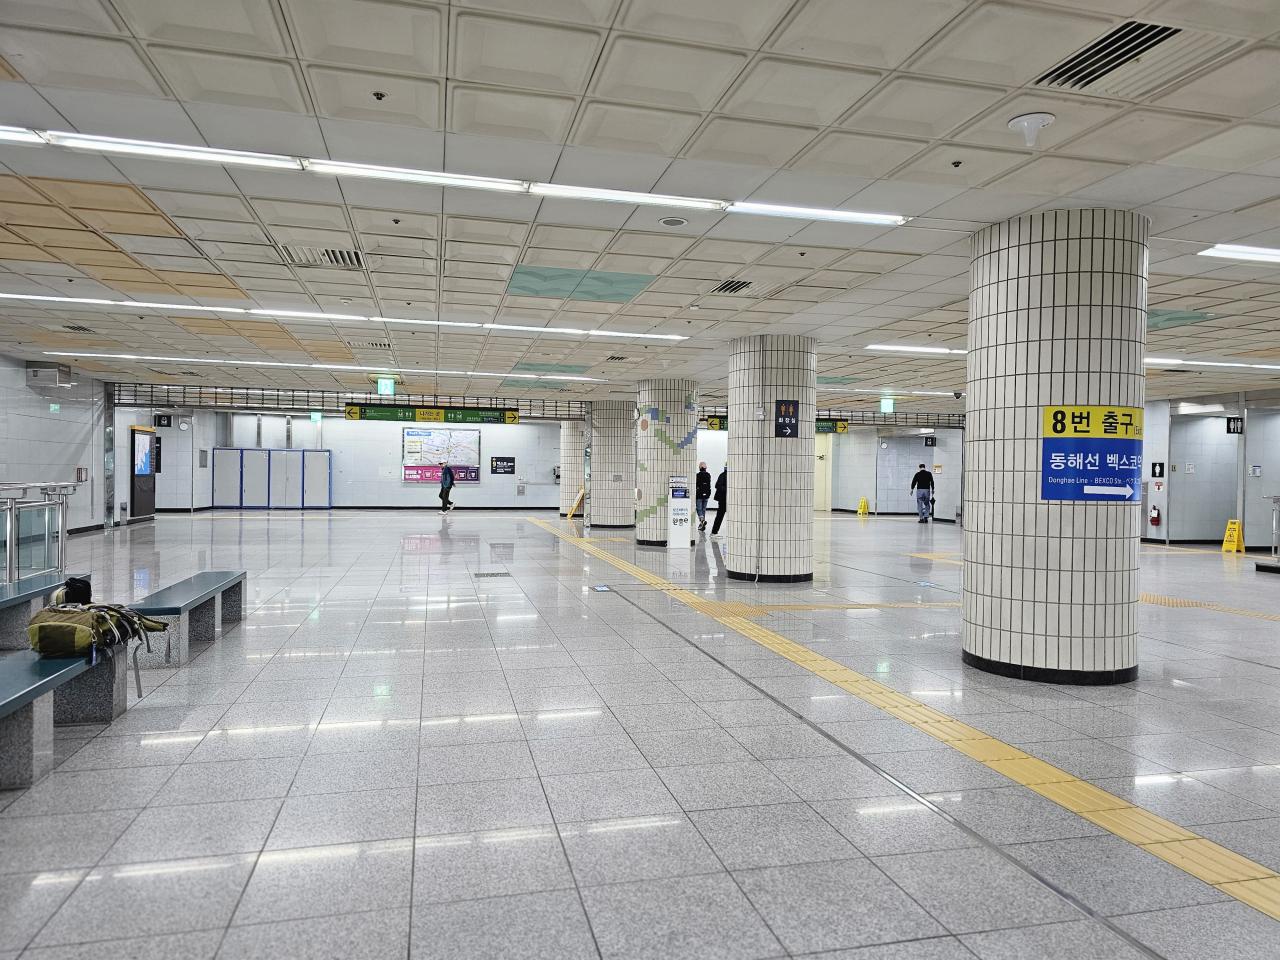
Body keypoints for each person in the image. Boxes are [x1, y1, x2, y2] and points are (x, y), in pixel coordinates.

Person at [711, 466, 728, 536]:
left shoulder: (724, 475)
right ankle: (714, 532)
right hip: (723, 499)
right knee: (720, 516)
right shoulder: (723, 475)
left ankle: (714, 532)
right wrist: (727, 489)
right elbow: (717, 485)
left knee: (719, 516)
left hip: (724, 498)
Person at [695, 462, 711, 531]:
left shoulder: (698, 475)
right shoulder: (708, 475)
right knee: (703, 509)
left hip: (699, 495)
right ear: (706, 468)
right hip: (706, 495)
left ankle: (702, 520)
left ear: (699, 467)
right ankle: (702, 525)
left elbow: (696, 485)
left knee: (699, 509)